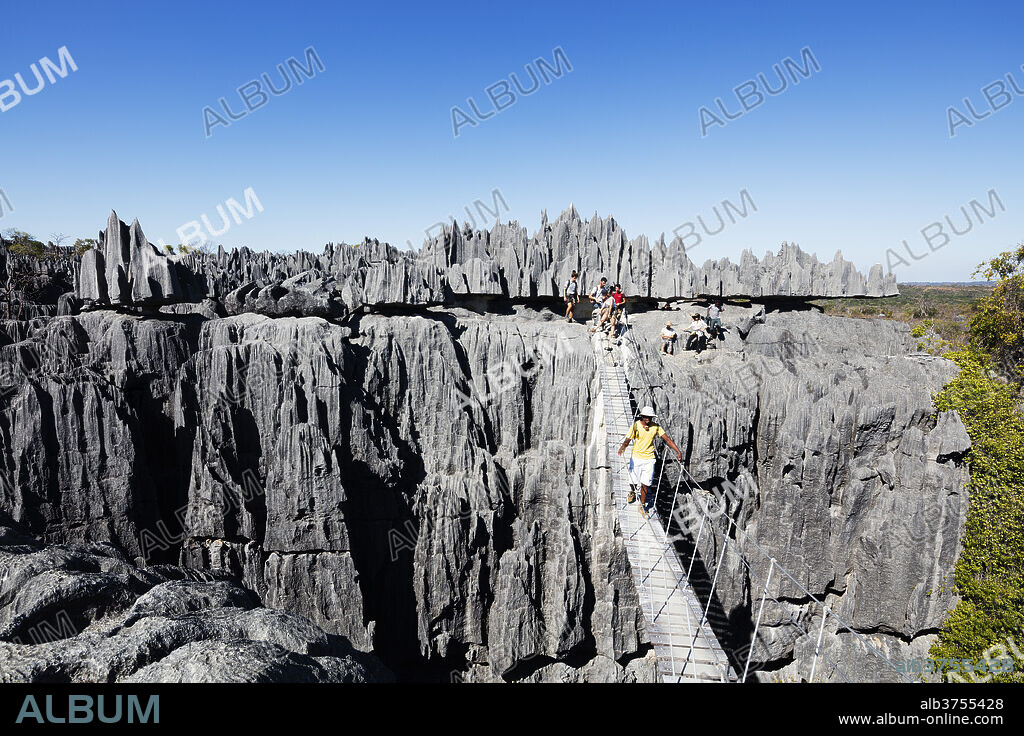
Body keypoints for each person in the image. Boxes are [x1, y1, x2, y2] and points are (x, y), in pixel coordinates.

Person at [617, 406, 682, 516]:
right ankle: (632, 491)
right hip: (636, 458)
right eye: (646, 417)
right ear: (642, 417)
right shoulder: (636, 426)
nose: (648, 419)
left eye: (650, 417)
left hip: (649, 459)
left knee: (646, 483)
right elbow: (628, 438)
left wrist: (678, 451)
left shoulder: (655, 427)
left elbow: (667, 439)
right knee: (633, 480)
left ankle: (642, 504)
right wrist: (623, 446)